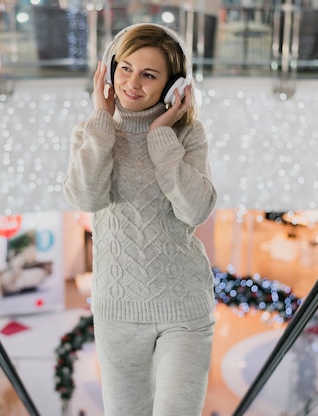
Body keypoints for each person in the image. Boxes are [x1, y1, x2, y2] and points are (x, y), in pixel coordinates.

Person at [63, 23, 217, 416]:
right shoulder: (91, 132)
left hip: (183, 310)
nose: (132, 83)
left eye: (149, 75)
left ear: (172, 86)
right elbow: (86, 197)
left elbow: (196, 209)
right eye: (125, 68)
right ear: (109, 71)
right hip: (118, 313)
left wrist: (161, 136)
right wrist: (102, 118)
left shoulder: (187, 135)